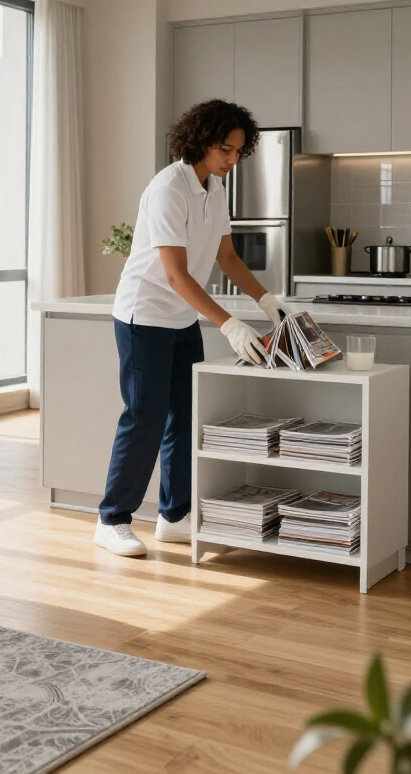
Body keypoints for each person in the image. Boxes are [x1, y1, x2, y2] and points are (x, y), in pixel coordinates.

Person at [94, 99, 286, 557]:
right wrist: (229, 324)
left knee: (185, 416)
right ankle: (112, 519)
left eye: (239, 151)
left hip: (181, 317)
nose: (233, 160)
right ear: (201, 140)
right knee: (145, 417)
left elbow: (228, 257)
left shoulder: (214, 187)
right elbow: (176, 274)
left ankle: (173, 515)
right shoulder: (168, 189)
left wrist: (265, 300)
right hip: (145, 316)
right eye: (226, 149)